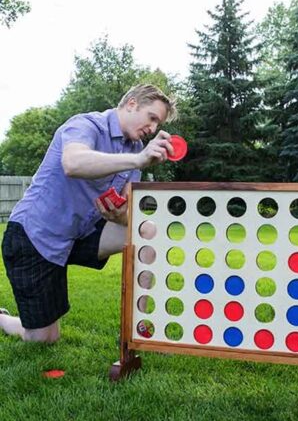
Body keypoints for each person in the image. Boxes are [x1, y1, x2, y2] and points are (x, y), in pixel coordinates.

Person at [1, 84, 177, 344]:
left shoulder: (134, 148)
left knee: (147, 229)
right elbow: (74, 163)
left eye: (157, 123)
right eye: (151, 118)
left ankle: (135, 326)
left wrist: (120, 216)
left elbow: (128, 214)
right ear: (131, 103)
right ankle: (2, 319)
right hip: (35, 238)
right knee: (42, 339)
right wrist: (139, 160)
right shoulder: (86, 125)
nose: (152, 129)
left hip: (79, 235)